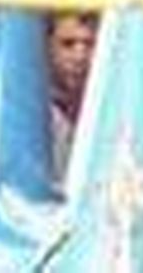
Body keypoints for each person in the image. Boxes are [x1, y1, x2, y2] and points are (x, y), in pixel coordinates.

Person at [47, 11, 99, 187]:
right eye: (68, 44)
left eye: (90, 44)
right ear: (47, 46)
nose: (80, 56)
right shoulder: (32, 113)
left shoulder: (105, 109)